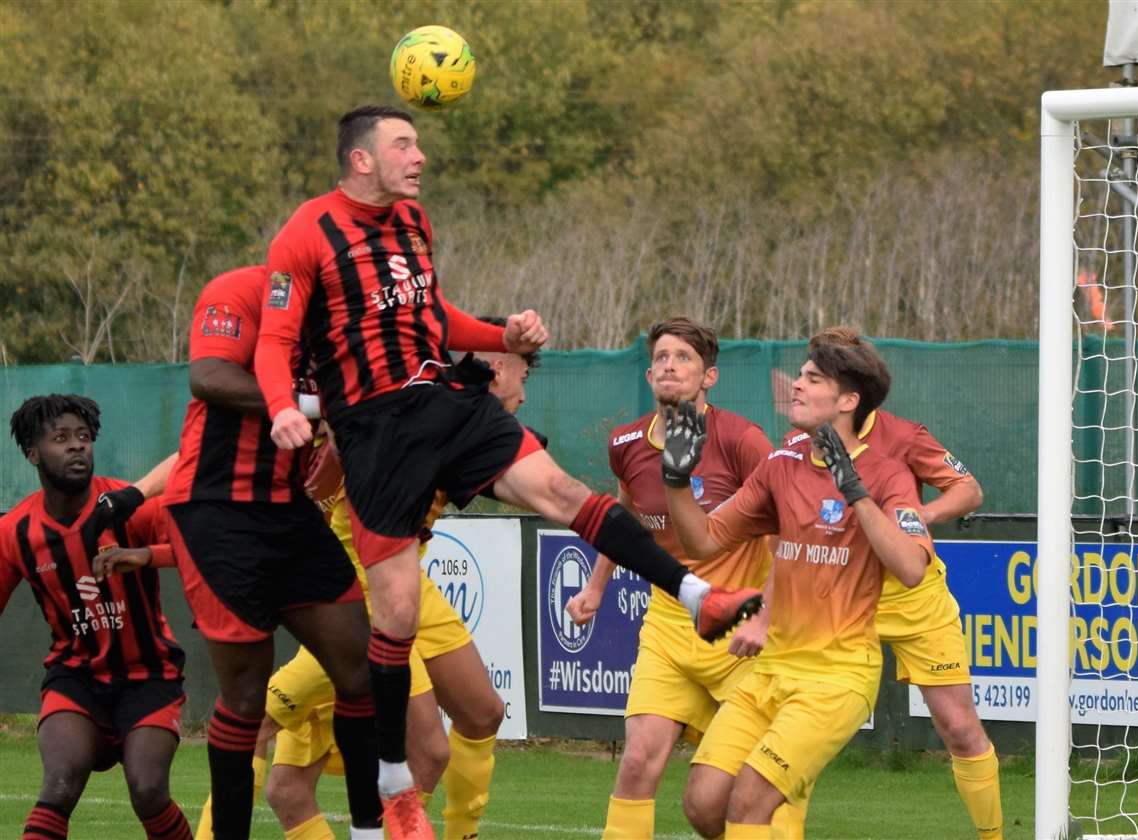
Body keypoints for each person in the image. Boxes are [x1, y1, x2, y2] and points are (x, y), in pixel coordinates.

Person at [252, 105, 761, 837]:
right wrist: (280, 407)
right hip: (373, 430)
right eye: (405, 143)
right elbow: (274, 340)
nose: (419, 154)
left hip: (445, 400)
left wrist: (503, 338)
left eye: (418, 142)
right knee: (392, 613)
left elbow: (433, 320)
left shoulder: (414, 224)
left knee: (560, 490)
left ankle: (696, 593)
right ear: (361, 160)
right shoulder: (307, 232)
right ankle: (394, 790)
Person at [189, 322, 536, 840]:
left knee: (483, 713)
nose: (525, 393)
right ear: (499, 367)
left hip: (409, 578)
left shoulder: (471, 418)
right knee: (408, 749)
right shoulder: (407, 402)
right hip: (364, 586)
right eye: (523, 377)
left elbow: (531, 478)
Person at [151, 265, 381, 839]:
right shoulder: (242, 291)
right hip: (216, 508)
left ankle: (369, 830)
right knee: (246, 693)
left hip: (291, 512)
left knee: (362, 670)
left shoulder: (350, 324)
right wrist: (314, 407)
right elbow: (207, 376)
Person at [670, 341, 934, 839]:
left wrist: (853, 490)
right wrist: (676, 479)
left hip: (836, 678)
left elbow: (911, 567)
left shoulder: (887, 473)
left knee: (749, 803)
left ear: (848, 401)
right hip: (770, 669)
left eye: (814, 379)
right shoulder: (781, 464)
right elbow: (701, 540)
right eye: (802, 374)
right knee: (703, 803)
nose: (797, 383)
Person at [565, 317, 780, 839]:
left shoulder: (742, 440)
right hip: (667, 626)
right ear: (647, 373)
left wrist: (771, 617)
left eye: (683, 357)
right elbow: (625, 514)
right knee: (638, 762)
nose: (669, 365)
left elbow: (784, 531)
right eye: (661, 356)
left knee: (743, 792)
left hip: (741, 630)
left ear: (710, 377)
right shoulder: (627, 442)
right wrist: (596, 585)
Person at [796, 327, 999, 838]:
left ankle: (994, 835)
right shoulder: (800, 441)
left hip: (913, 597)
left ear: (853, 385)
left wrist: (913, 518)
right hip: (841, 597)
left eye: (820, 371)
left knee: (957, 726)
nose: (806, 381)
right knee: (799, 726)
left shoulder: (903, 435)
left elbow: (969, 489)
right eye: (808, 369)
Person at [2, 395, 192, 840]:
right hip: (76, 678)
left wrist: (145, 555)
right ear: (32, 453)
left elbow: (199, 548)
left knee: (148, 790)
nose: (76, 447)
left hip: (149, 677)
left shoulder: (133, 506)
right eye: (61, 439)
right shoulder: (16, 531)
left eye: (84, 437)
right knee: (59, 783)